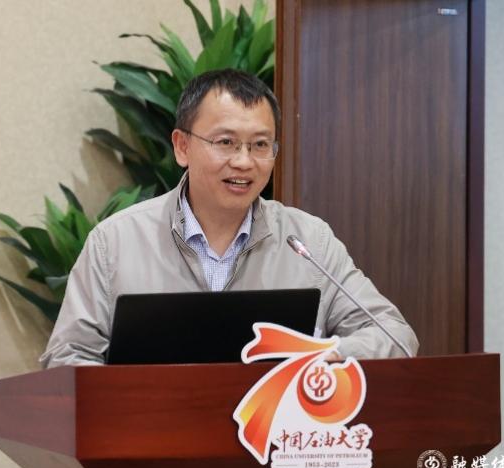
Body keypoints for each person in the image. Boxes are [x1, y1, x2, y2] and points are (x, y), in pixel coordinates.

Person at [40, 69, 419, 367]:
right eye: (225, 142)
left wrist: (322, 356)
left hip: (271, 435)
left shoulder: (308, 240)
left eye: (260, 145)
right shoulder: (116, 242)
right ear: (182, 146)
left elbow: (395, 336)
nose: (243, 161)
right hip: (152, 437)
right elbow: (67, 358)